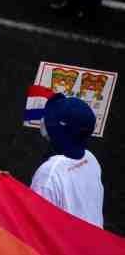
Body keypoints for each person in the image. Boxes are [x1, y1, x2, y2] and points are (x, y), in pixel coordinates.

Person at [30, 93, 104, 228]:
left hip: (65, 248)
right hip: (96, 244)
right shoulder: (91, 159)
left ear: (57, 130)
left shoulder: (49, 174)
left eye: (50, 118)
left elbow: (35, 228)